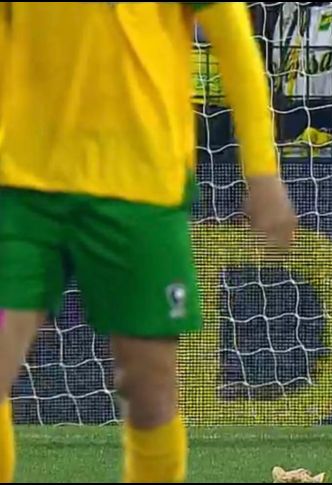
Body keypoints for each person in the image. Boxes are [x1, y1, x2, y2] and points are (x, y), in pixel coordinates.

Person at [0, 3, 296, 483]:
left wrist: (262, 171)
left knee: (149, 390)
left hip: (141, 193)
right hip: (23, 189)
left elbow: (234, 43)